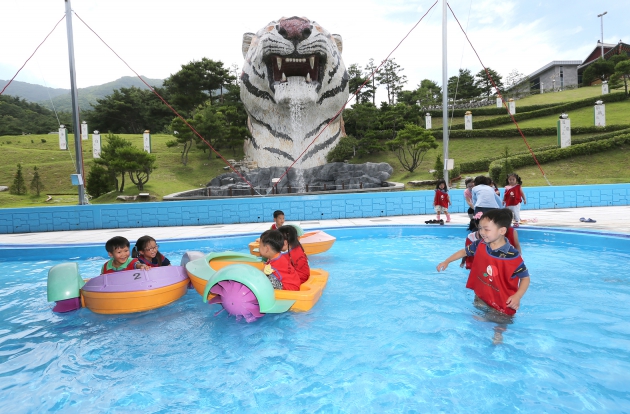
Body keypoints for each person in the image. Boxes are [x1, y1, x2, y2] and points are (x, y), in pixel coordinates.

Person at [437, 208, 530, 316]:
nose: (481, 232)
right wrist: (447, 261)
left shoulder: (512, 256)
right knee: (478, 317)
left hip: (502, 301)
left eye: (486, 229)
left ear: (502, 231)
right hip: (481, 295)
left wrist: (517, 296)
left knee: (499, 325)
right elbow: (464, 252)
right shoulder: (480, 244)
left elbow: (525, 278)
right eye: (480, 228)